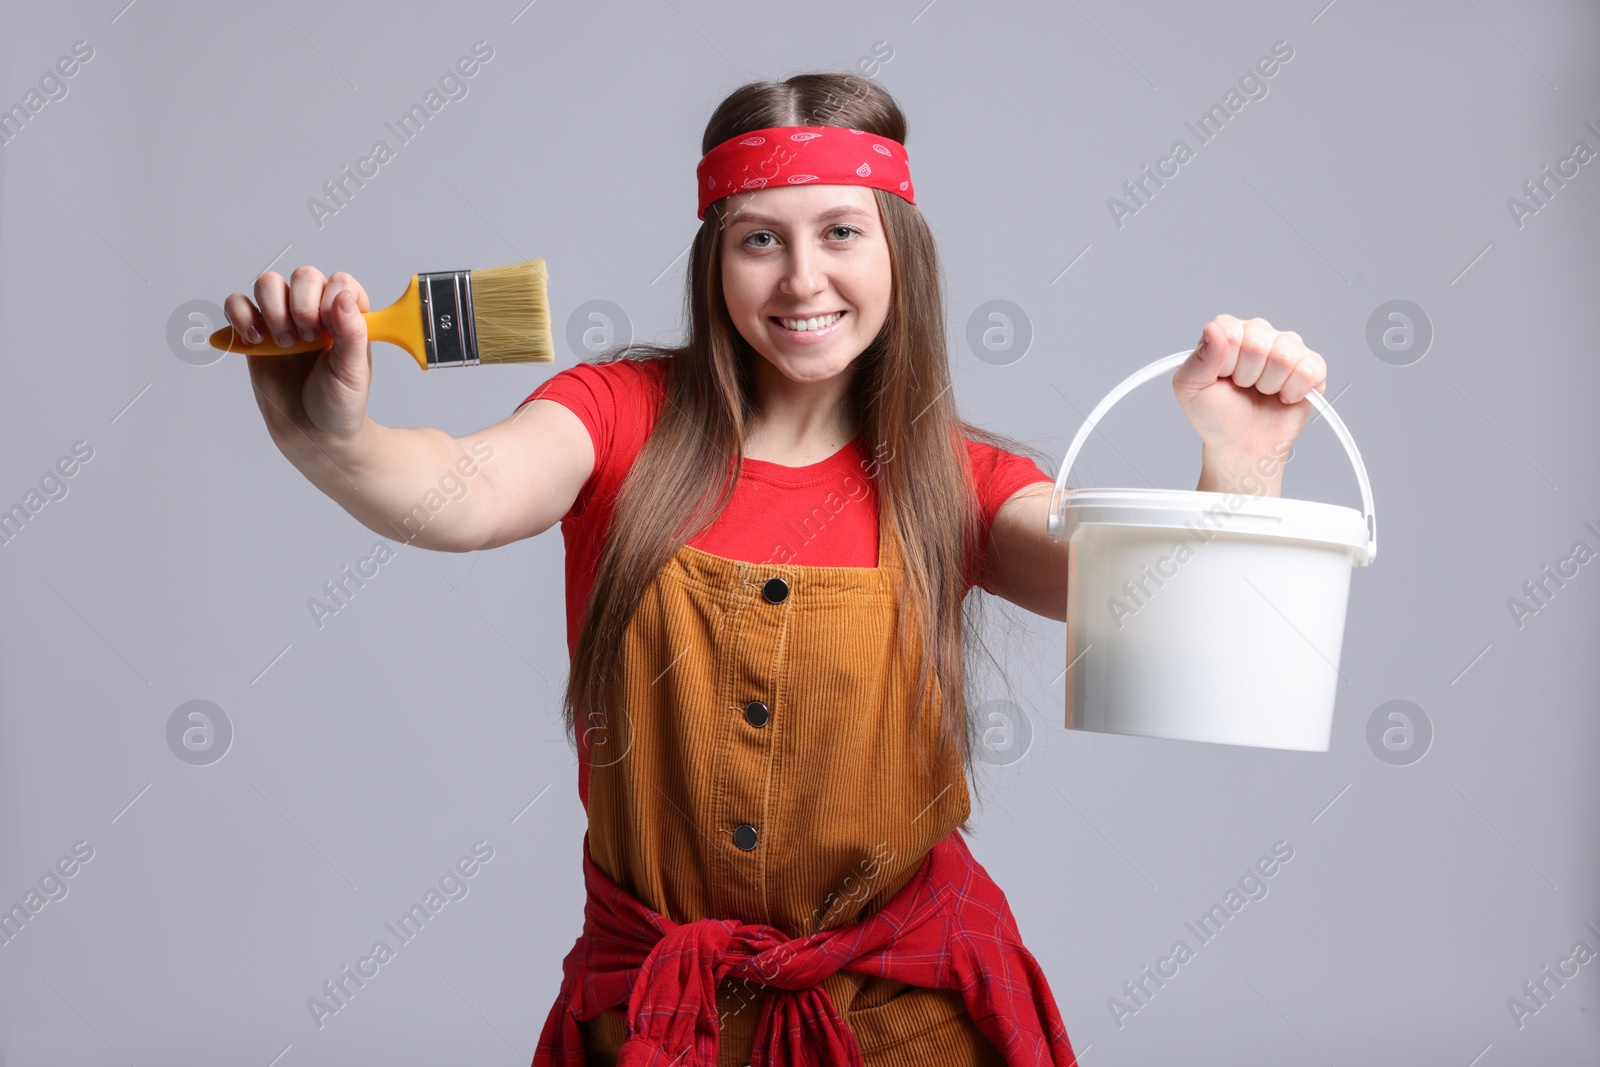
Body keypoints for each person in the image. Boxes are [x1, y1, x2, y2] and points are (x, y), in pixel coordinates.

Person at [225, 72, 1327, 1067]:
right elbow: (460, 490)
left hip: (907, 1022)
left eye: (841, 230)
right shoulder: (614, 417)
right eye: (760, 239)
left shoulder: (960, 480)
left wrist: (1243, 465)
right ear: (716, 258)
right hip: (663, 1023)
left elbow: (1153, 606)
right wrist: (336, 440)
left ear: (899, 246)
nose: (803, 277)